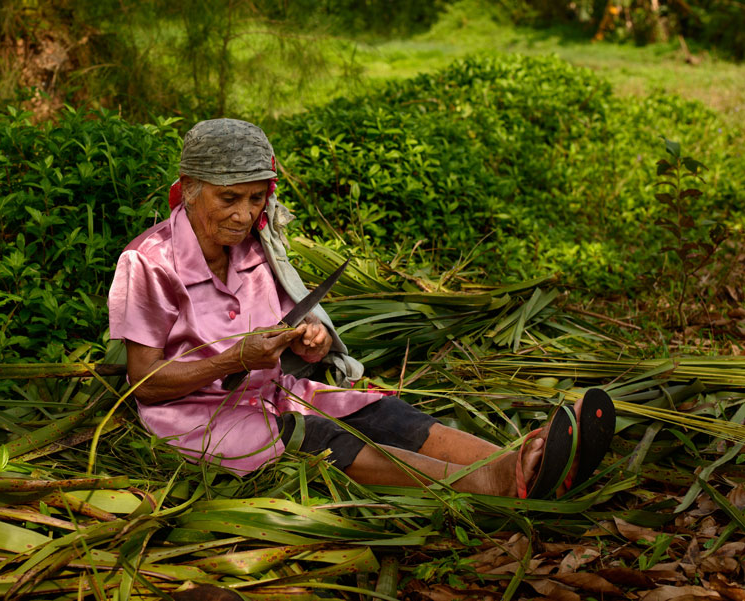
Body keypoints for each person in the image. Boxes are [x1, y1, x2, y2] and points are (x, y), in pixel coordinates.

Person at [107, 118, 614, 498]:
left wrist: (311, 337)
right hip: (199, 419)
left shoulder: (256, 247)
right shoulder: (150, 263)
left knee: (380, 410)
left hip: (275, 392)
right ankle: (497, 483)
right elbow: (143, 382)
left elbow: (287, 325)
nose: (246, 214)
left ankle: (524, 460)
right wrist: (234, 360)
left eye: (258, 198)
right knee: (320, 435)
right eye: (230, 199)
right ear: (190, 190)